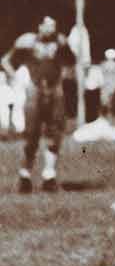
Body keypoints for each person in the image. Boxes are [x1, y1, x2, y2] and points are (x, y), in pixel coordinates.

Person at [2, 15, 74, 193]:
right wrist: (16, 78)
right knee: (32, 134)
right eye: (47, 26)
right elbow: (5, 61)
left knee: (54, 132)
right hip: (33, 90)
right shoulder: (26, 41)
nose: (51, 29)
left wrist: (63, 78)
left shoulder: (61, 42)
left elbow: (71, 62)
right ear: (39, 26)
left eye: (54, 26)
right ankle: (25, 175)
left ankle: (49, 175)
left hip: (55, 89)